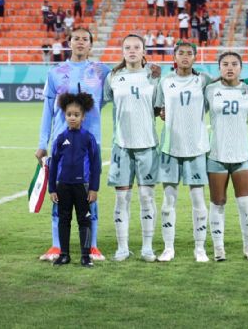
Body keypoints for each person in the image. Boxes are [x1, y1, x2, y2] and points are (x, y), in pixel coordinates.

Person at [36, 27, 109, 262]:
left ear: (91, 45)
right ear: (69, 43)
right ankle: (58, 246)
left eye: (85, 39)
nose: (80, 42)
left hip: (90, 143)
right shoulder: (55, 72)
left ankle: (93, 246)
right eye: (76, 38)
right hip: (62, 143)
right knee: (59, 195)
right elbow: (47, 110)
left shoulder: (102, 71)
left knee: (90, 194)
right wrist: (42, 142)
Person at [103, 35, 160, 262]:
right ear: (122, 50)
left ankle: (147, 247)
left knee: (147, 198)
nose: (132, 50)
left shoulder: (153, 76)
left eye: (137, 47)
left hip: (148, 145)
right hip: (122, 147)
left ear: (144, 50)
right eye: (127, 47)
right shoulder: (114, 77)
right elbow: (108, 102)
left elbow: (158, 108)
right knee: (121, 200)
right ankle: (122, 247)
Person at [155, 42, 212, 262]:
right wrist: (162, 112)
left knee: (198, 199)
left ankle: (200, 249)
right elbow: (160, 109)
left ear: (195, 58)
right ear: (175, 57)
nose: (185, 56)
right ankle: (168, 248)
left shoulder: (203, 80)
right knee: (169, 200)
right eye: (181, 53)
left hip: (196, 147)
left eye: (190, 53)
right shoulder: (165, 81)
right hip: (170, 147)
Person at [205, 52, 248, 261]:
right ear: (219, 67)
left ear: (241, 67)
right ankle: (219, 249)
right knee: (217, 202)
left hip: (242, 155)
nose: (230, 68)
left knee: (245, 203)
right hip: (216, 155)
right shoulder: (210, 90)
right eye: (225, 64)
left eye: (234, 64)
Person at [48, 92, 101, 267]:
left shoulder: (88, 138)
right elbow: (53, 164)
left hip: (82, 187)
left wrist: (93, 188)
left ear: (83, 117)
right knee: (64, 219)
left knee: (84, 220)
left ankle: (86, 255)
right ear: (65, 115)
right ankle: (64, 254)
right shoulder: (60, 139)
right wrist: (52, 189)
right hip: (63, 186)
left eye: (76, 115)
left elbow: (95, 165)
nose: (72, 118)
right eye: (69, 114)